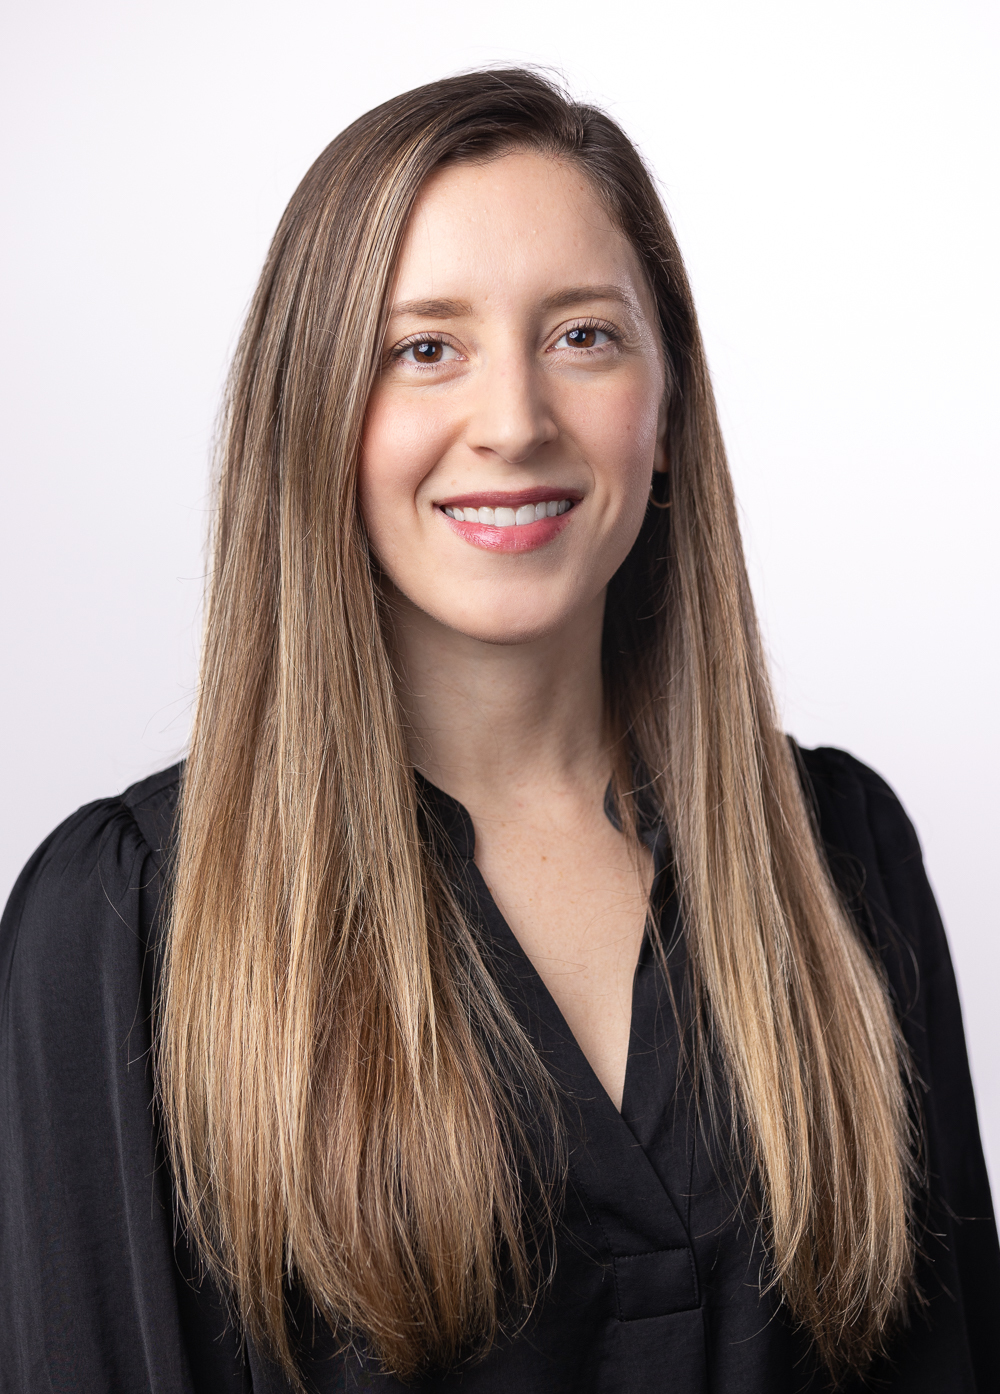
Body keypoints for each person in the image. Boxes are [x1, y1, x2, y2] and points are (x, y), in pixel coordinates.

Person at [1, 69, 996, 1394]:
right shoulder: (122, 924)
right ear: (314, 417)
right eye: (425, 348)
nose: (517, 422)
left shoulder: (839, 859)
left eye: (583, 335)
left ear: (672, 408)